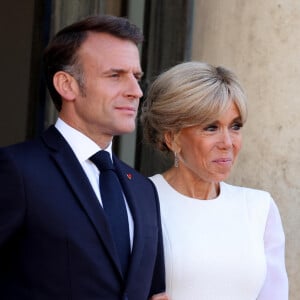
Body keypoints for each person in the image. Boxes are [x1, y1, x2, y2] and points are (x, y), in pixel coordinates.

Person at [0, 15, 167, 300]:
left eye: (136, 77)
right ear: (67, 85)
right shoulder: (16, 170)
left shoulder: (143, 189)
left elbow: (154, 293)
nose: (136, 91)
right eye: (115, 75)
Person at [140, 61, 288, 299]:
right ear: (172, 138)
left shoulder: (259, 208)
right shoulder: (139, 202)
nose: (227, 142)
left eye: (235, 126)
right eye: (211, 127)